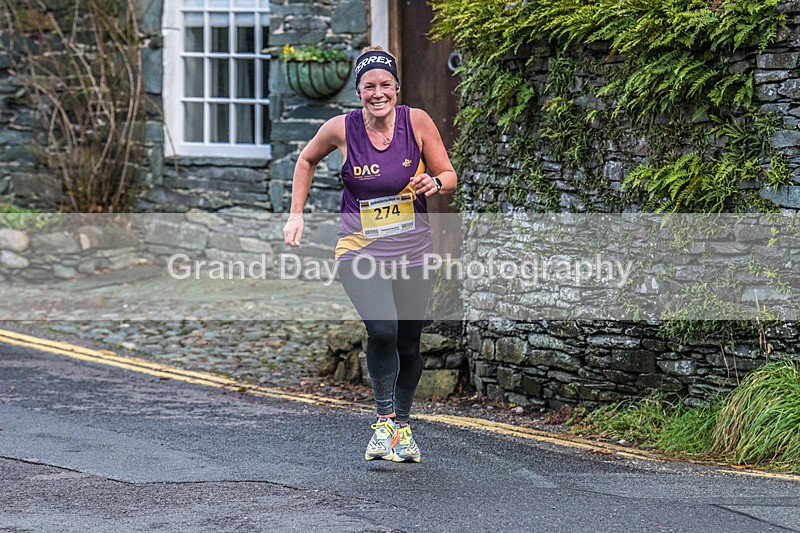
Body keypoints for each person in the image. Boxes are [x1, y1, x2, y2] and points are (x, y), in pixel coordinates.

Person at [283, 46, 457, 463]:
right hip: (360, 250)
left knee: (409, 346)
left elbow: (448, 174)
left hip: (413, 252)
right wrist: (295, 216)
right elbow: (306, 160)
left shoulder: (417, 122)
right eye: (368, 87)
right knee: (383, 330)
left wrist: (435, 183)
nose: (377, 93)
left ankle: (401, 428)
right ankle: (382, 423)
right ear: (358, 92)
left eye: (385, 85)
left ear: (396, 88)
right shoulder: (341, 129)